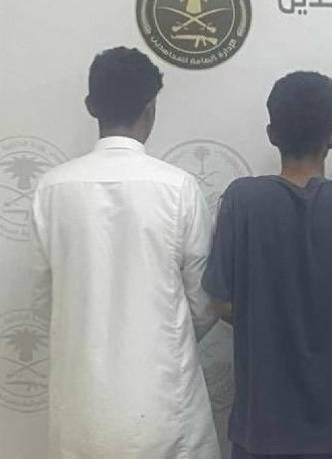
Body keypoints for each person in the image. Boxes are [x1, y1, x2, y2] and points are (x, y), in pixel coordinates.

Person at [29, 47, 220, 459]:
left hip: (80, 410)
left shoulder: (51, 189)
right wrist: (163, 338)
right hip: (165, 409)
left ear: (90, 106)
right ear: (151, 108)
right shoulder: (178, 187)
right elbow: (203, 304)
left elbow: (47, 301)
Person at [202, 72, 332, 459]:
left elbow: (221, 302)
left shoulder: (242, 201)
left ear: (272, 134)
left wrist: (268, 325)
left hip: (264, 427)